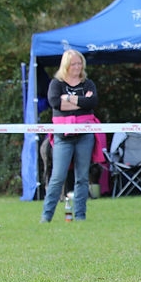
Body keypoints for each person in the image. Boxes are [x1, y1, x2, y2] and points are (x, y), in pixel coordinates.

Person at [40, 49, 102, 222]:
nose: (77, 66)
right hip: (63, 136)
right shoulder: (56, 83)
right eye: (73, 64)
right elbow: (55, 104)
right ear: (66, 65)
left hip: (84, 134)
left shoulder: (87, 83)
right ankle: (46, 216)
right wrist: (80, 102)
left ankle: (80, 215)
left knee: (82, 177)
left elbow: (91, 104)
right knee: (58, 176)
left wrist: (68, 99)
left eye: (79, 63)